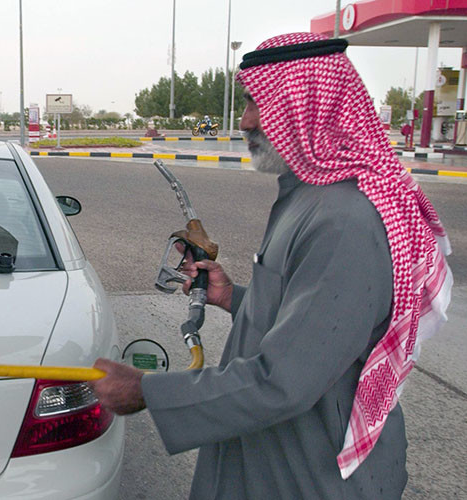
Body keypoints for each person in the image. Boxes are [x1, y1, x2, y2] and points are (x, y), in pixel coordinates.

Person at [89, 32, 452, 499]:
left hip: (308, 474)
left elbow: (286, 381)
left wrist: (147, 391)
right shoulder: (309, 199)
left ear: (315, 107)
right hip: (275, 455)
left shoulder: (343, 220)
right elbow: (311, 319)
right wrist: (234, 297)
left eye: (259, 103)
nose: (245, 122)